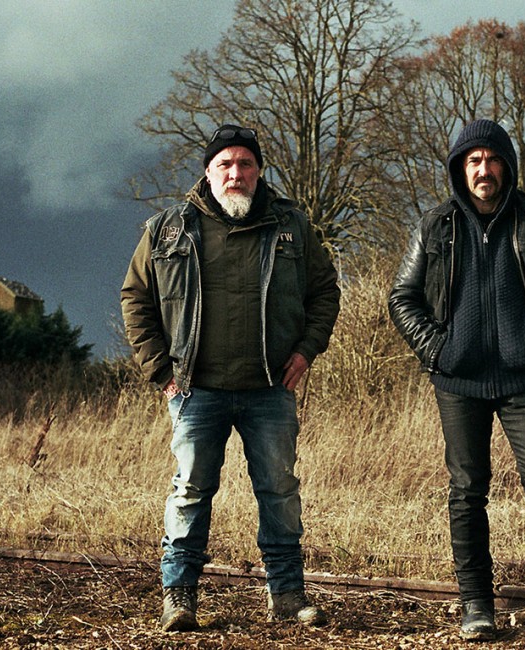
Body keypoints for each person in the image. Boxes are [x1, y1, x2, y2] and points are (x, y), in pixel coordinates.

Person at [121, 124, 340, 632]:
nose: (235, 174)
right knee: (191, 490)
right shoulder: (167, 230)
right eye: (225, 165)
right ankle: (179, 599)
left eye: (245, 164)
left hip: (270, 389)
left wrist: (307, 351)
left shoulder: (292, 227)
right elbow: (136, 298)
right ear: (207, 172)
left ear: (259, 170)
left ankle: (286, 596)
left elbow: (325, 292)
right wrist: (160, 369)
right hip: (197, 391)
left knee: (280, 491)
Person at [388, 119, 525, 642]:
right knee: (466, 494)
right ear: (461, 167)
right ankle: (477, 607)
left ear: (507, 165)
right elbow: (402, 298)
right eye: (473, 160)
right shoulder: (436, 226)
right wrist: (437, 348)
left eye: (493, 159)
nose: (483, 169)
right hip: (459, 384)